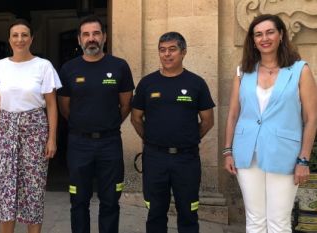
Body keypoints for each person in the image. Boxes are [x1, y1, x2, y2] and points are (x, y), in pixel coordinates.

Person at [223, 14, 317, 232]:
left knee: (279, 221)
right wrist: (228, 150)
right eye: (258, 34)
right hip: (247, 153)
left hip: (284, 153)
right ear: (253, 40)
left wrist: (304, 159)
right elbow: (233, 114)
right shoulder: (242, 71)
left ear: (281, 34)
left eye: (269, 32)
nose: (264, 38)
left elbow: (311, 118)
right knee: (254, 219)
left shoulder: (300, 70)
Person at [130, 31, 215, 233]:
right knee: (155, 213)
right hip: (155, 158)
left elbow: (207, 121)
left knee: (188, 214)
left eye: (172, 49)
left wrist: (187, 139)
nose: (167, 54)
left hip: (186, 159)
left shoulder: (196, 83)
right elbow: (135, 118)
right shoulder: (147, 83)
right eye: (162, 50)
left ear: (183, 52)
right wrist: (152, 140)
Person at [57, 15, 134, 233]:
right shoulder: (69, 69)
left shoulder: (119, 66)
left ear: (105, 37)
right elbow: (65, 108)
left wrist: (107, 123)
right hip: (79, 144)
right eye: (86, 34)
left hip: (110, 143)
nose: (92, 38)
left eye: (96, 33)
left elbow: (126, 104)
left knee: (110, 201)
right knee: (78, 201)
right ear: (79, 40)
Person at [0, 19, 61, 233]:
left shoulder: (43, 66)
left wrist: (52, 138)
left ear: (31, 38)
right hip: (7, 129)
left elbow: (51, 105)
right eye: (15, 35)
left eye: (24, 35)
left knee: (34, 188)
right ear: (9, 39)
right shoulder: (0, 66)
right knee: (6, 188)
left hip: (35, 130)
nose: (20, 39)